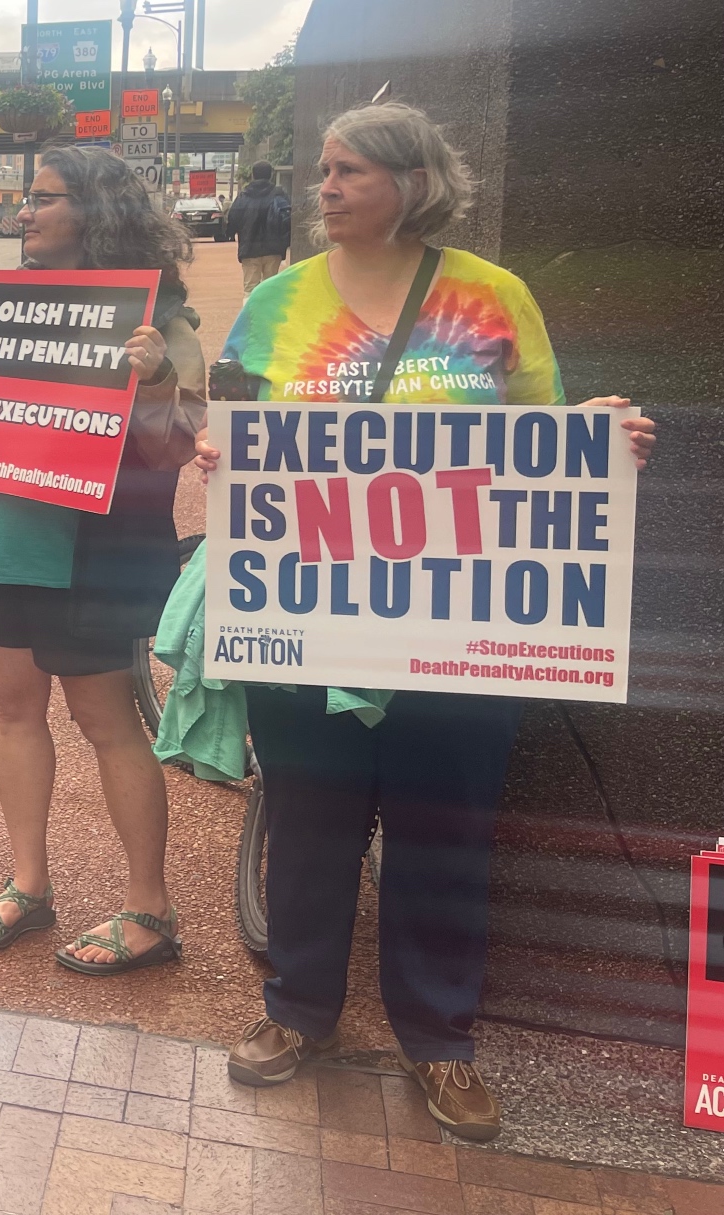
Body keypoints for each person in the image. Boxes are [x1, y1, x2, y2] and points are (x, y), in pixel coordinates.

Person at [194, 102, 655, 1142]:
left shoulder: (493, 300)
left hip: (457, 633)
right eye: (323, 170)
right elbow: (228, 431)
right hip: (311, 620)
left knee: (444, 841)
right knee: (308, 829)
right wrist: (217, 460)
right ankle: (297, 1013)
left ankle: (440, 1042)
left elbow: (544, 441)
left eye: (348, 170)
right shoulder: (274, 305)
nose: (325, 188)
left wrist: (600, 438)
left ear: (413, 180)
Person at [0, 146, 206, 977]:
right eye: (25, 199)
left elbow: (177, 448)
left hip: (90, 556)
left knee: (106, 721)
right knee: (13, 711)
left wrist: (150, 384)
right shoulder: (2, 305)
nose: (24, 213)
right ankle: (29, 883)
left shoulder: (161, 322)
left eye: (44, 198)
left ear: (96, 213)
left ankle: (151, 906)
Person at [229, 161, 292, 293]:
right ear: (271, 175)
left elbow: (232, 219)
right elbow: (289, 218)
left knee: (250, 289)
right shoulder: (279, 194)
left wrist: (230, 233)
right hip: (274, 249)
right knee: (270, 289)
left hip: (249, 248)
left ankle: (251, 314)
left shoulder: (244, 195)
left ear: (253, 175)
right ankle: (269, 314)